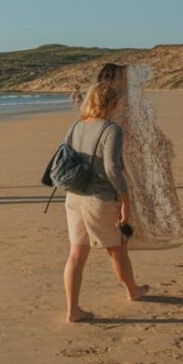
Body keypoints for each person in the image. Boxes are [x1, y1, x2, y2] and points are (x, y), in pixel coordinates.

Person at [62, 81, 149, 323]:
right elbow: (112, 168)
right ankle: (133, 290)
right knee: (118, 249)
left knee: (76, 255)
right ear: (112, 104)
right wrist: (125, 199)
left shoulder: (76, 125)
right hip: (100, 199)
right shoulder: (111, 130)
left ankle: (72, 310)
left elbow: (65, 156)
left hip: (74, 196)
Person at [94, 63, 183, 247]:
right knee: (116, 237)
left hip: (104, 177)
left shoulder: (96, 114)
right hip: (111, 177)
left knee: (90, 246)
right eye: (121, 80)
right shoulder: (113, 113)